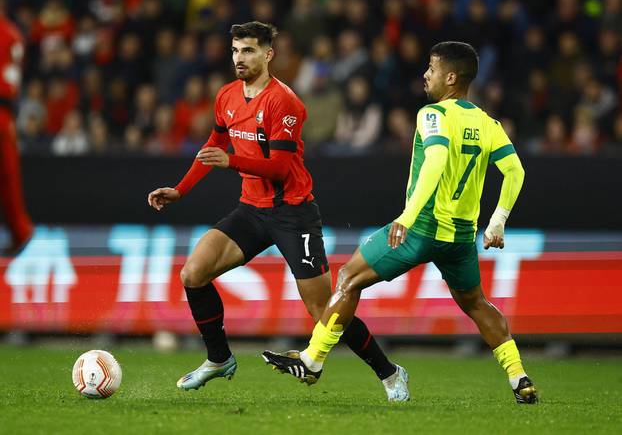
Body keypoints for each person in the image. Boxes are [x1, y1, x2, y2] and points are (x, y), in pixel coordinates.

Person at [263, 41, 538, 405]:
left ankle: (313, 360)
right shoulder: (488, 123)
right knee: (476, 304)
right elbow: (514, 170)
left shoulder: (433, 114)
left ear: (451, 77)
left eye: (432, 69)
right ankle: (519, 377)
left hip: (421, 228)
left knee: (348, 278)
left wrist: (407, 218)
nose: (426, 75)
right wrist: (498, 221)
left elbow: (437, 161)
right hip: (460, 238)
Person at [147, 21, 409, 401]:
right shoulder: (226, 96)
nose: (240, 58)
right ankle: (219, 359)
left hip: (293, 213)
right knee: (193, 273)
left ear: (268, 54)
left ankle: (390, 372)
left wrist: (231, 161)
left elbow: (281, 167)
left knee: (324, 311)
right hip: (251, 210)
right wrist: (180, 189)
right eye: (236, 50)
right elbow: (213, 145)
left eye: (249, 50)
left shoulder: (283, 102)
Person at [0, 8, 33, 255]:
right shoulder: (13, 34)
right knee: (9, 175)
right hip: (6, 110)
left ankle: (20, 231)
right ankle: (20, 230)